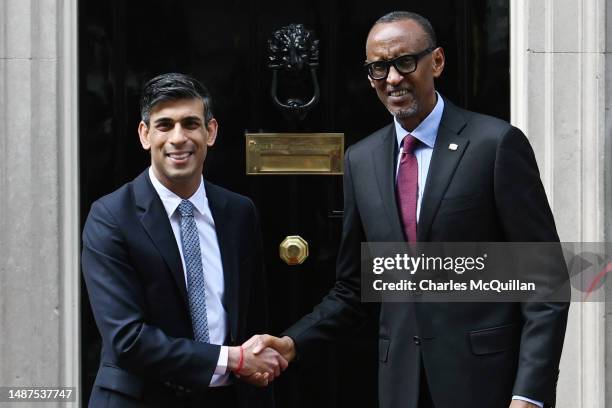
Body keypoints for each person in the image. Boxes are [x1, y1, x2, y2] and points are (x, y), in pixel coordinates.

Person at [251, 11, 569, 408]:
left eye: (404, 62)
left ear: (435, 62)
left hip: (488, 384)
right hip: (401, 384)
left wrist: (529, 396)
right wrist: (292, 342)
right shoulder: (360, 160)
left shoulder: (496, 144)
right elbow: (355, 288)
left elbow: (545, 280)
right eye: (378, 68)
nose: (393, 79)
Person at [82, 73, 285, 408]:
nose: (178, 138)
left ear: (211, 132)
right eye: (164, 125)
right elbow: (126, 339)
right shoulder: (110, 217)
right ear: (145, 135)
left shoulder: (238, 212)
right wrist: (231, 359)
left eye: (191, 123)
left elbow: (252, 321)